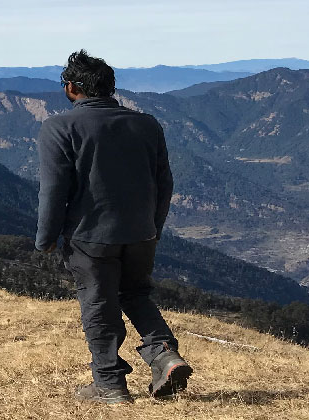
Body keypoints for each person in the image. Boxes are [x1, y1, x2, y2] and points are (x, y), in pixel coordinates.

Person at [35, 50, 192, 404]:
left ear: (71, 88)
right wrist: (154, 226)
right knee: (136, 293)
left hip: (90, 236)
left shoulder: (59, 128)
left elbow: (53, 189)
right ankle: (164, 354)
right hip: (141, 232)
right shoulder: (146, 124)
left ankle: (108, 384)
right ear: (109, 87)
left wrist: (45, 237)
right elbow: (164, 183)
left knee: (98, 302)